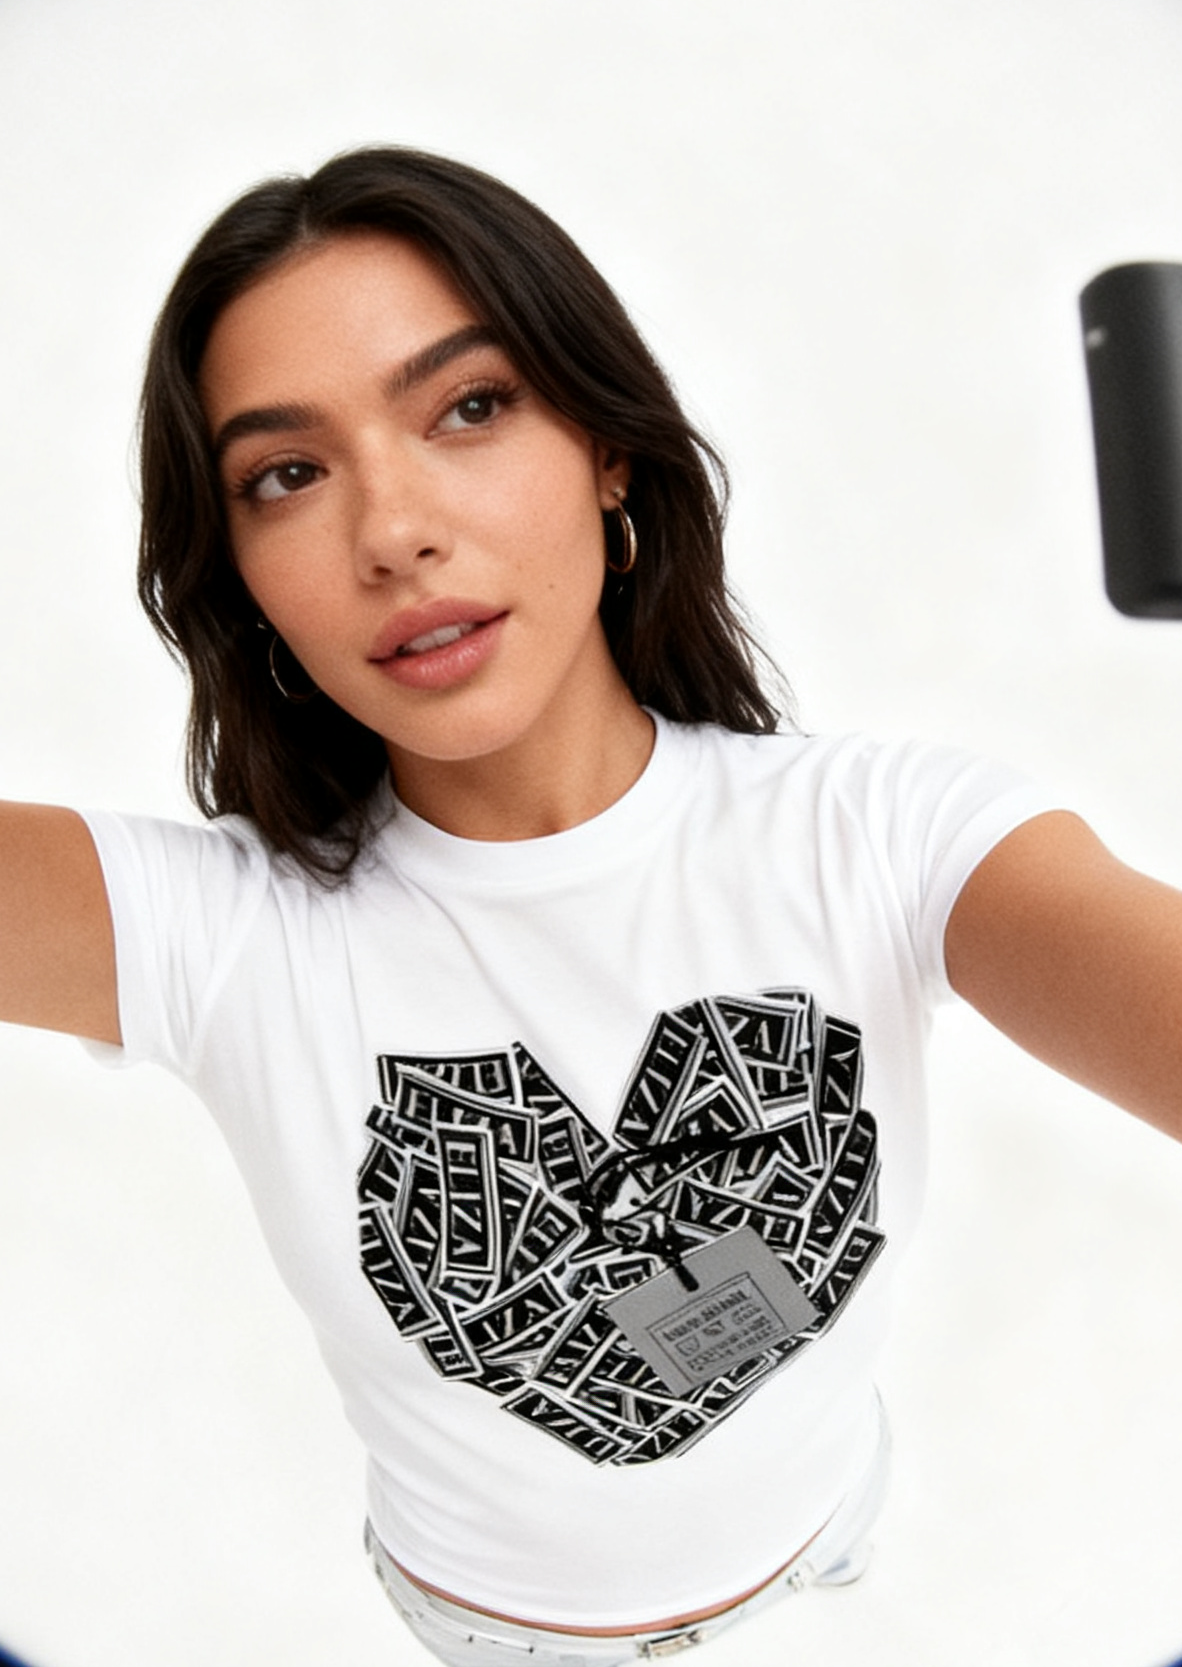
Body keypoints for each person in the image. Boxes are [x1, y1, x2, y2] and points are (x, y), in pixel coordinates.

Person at [2, 145, 1180, 1667]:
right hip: (491, 1630)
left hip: (829, 1526)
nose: (393, 529)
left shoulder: (882, 833)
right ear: (240, 572)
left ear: (607, 448)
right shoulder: (215, 932)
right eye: (286, 473)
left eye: (467, 406)